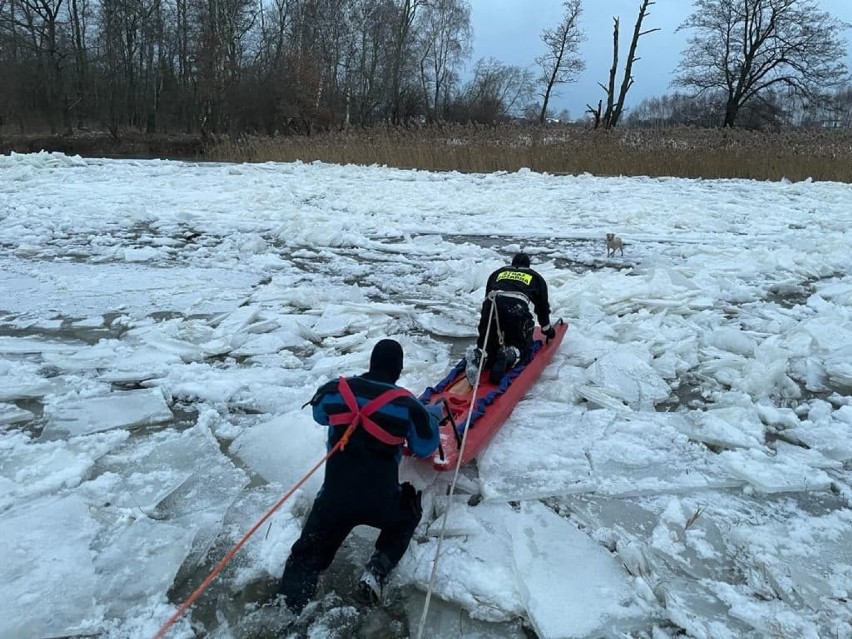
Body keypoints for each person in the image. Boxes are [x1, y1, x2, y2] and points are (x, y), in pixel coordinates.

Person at [278, 339, 441, 615]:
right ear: (399, 370)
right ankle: (376, 570)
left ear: (371, 363)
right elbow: (425, 445)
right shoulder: (408, 405)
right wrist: (431, 417)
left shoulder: (335, 390)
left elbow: (319, 415)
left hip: (334, 502)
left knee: (304, 559)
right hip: (381, 503)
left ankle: (288, 610)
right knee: (409, 510)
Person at [467, 252, 555, 384]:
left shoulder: (498, 273)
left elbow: (487, 296)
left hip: (491, 305)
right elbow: (542, 308)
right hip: (515, 309)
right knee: (523, 346)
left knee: (489, 342)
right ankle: (510, 355)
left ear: (512, 264)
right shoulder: (536, 277)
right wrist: (547, 329)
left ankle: (480, 355)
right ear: (528, 266)